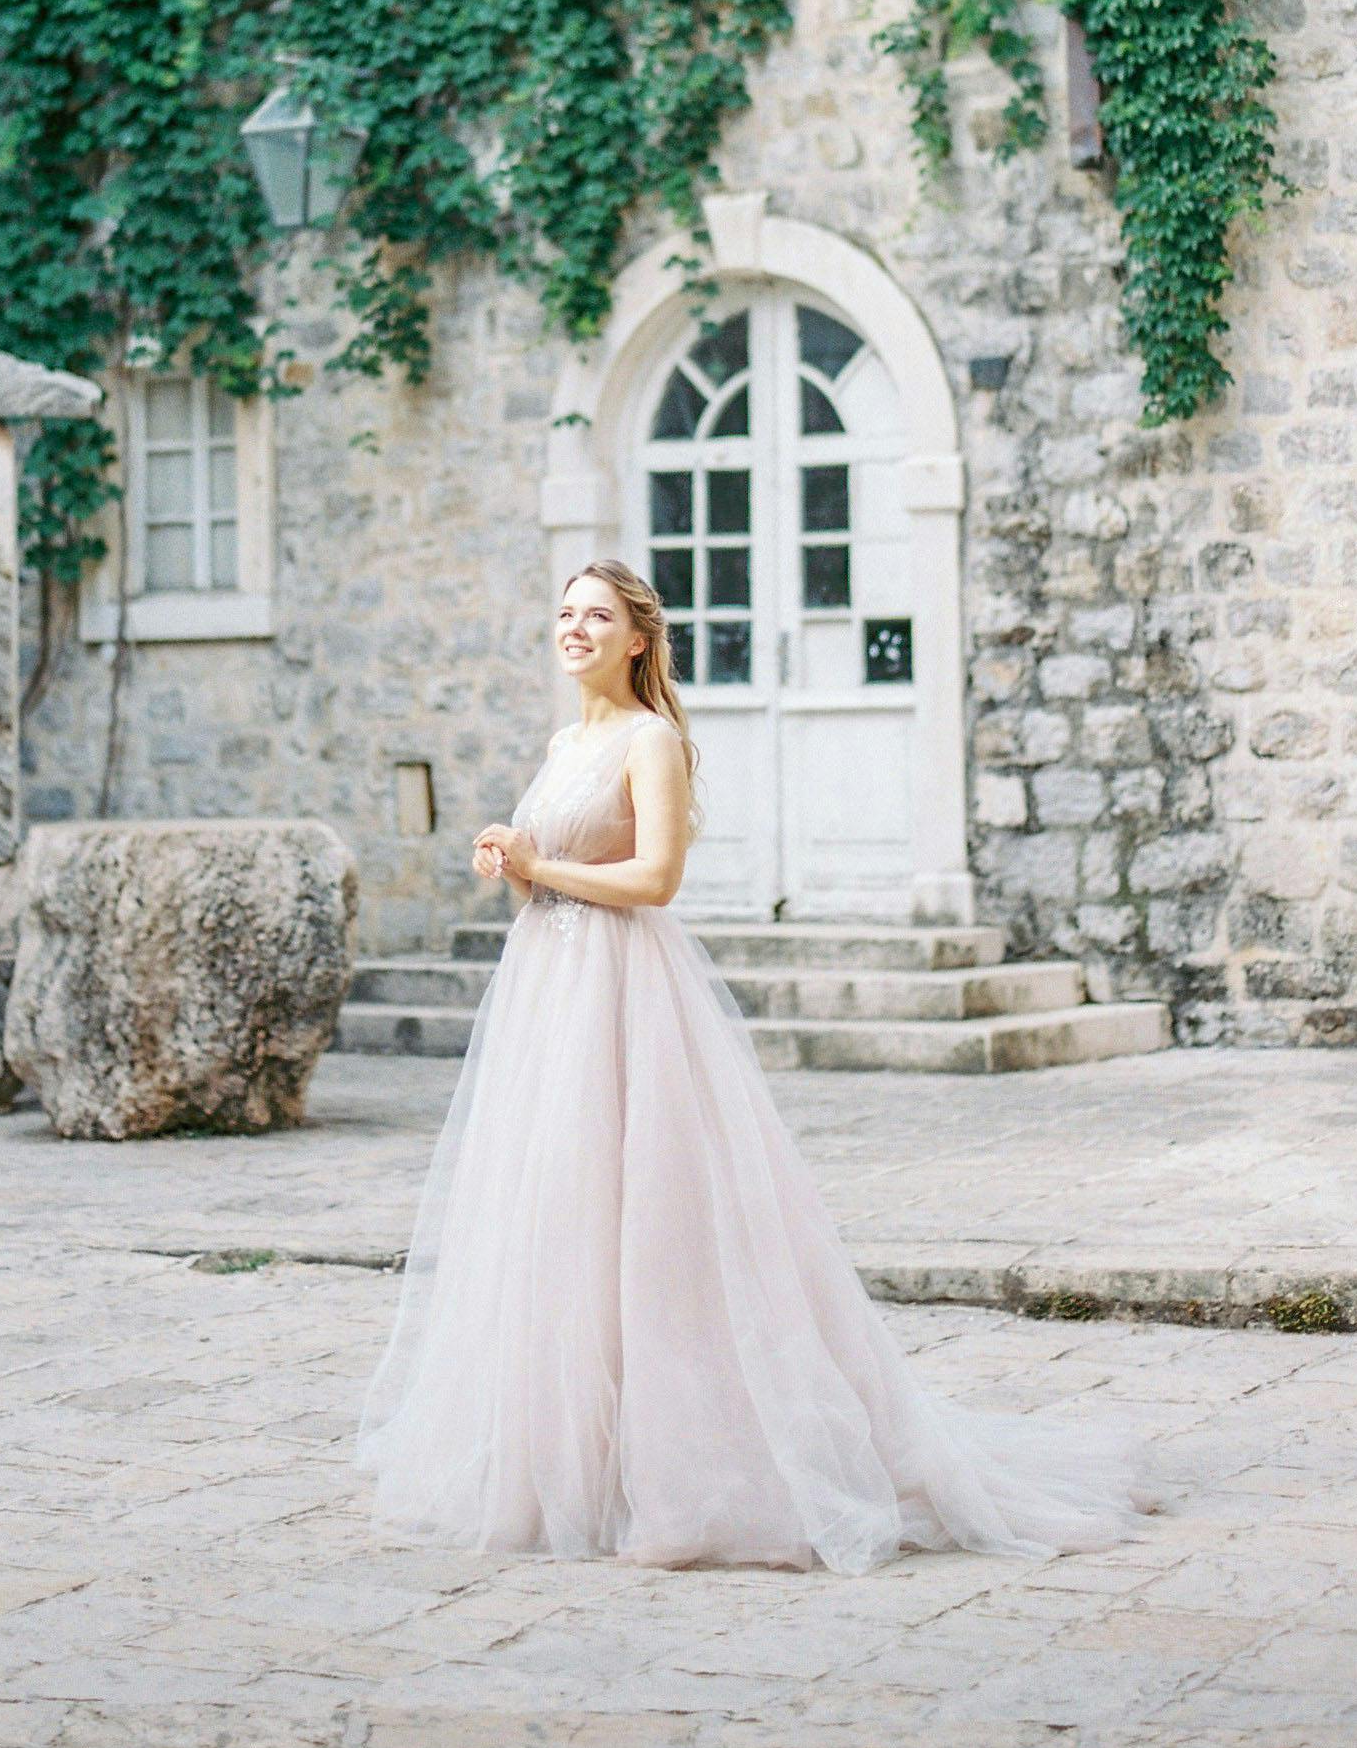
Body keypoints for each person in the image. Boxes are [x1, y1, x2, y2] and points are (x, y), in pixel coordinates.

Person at [356, 557, 1150, 1572]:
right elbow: (542, 887)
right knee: (559, 1214)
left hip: (627, 994)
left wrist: (539, 863)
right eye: (562, 612)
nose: (574, 628)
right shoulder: (565, 742)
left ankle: (698, 1460)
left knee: (652, 1216)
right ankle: (581, 1458)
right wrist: (509, 856)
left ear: (637, 638)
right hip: (549, 998)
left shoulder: (653, 741)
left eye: (595, 615)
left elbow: (655, 876)